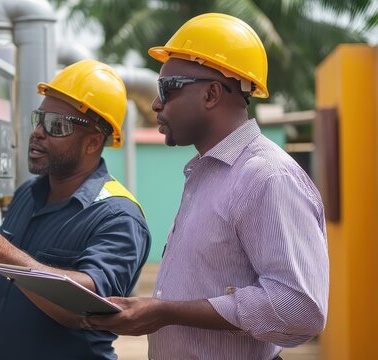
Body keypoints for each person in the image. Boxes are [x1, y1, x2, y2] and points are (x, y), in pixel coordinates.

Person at [83, 13, 329, 360]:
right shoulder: (208, 172)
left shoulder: (267, 177)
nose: (155, 104)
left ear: (212, 93)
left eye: (166, 89)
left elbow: (299, 308)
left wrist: (166, 311)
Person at [0, 59, 151, 359]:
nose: (37, 132)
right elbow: (4, 283)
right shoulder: (29, 193)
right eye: (39, 118)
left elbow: (86, 305)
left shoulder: (117, 215)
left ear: (93, 142)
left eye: (56, 126)